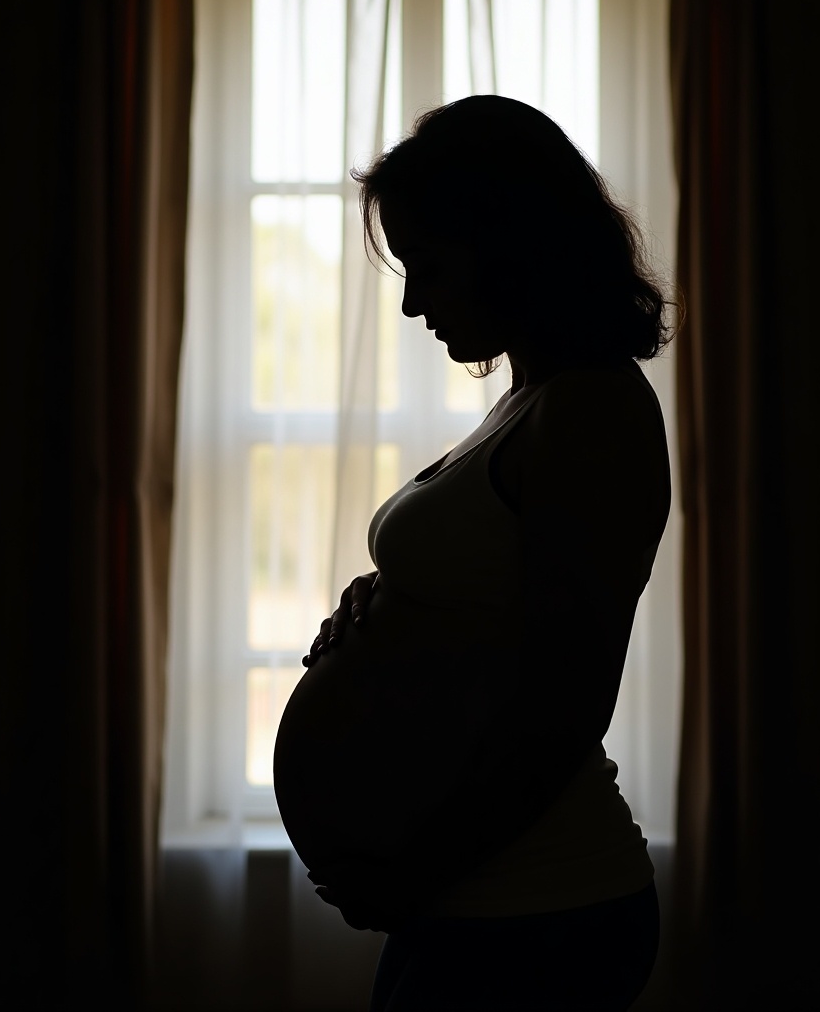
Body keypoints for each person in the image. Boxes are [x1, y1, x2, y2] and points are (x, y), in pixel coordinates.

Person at [273, 95, 675, 1012]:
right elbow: (492, 613)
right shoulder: (531, 400)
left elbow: (568, 698)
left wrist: (415, 871)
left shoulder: (594, 414)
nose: (414, 304)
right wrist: (386, 606)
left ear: (512, 247)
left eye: (429, 268)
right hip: (476, 902)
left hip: (538, 907)